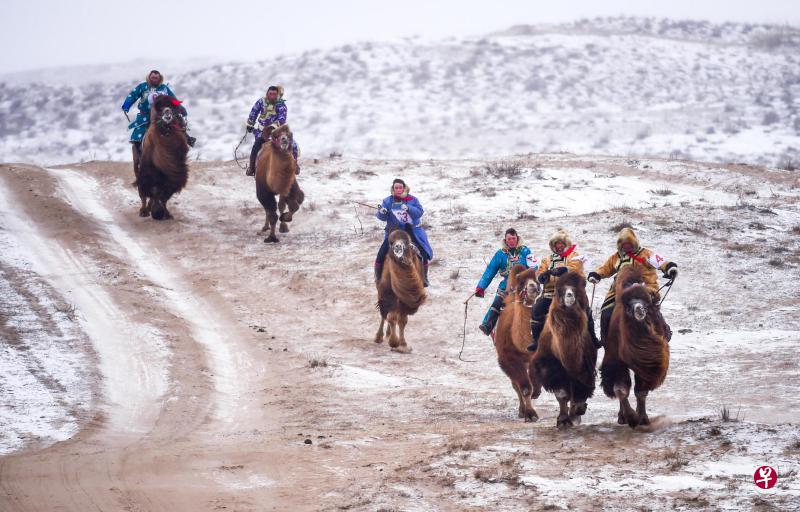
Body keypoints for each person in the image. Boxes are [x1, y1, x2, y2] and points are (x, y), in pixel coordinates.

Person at [587, 227, 677, 344]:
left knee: (651, 309)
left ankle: (664, 331)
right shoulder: (616, 257)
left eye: (629, 244)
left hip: (644, 287)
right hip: (619, 291)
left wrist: (669, 267)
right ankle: (604, 339)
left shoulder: (645, 253)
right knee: (606, 311)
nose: (627, 246)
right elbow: (606, 268)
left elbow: (661, 262)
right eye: (624, 244)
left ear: (634, 243)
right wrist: (597, 274)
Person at [527, 229, 601, 352]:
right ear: (553, 246)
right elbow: (540, 270)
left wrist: (565, 269)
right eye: (557, 244)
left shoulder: (575, 256)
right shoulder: (547, 259)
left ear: (566, 244)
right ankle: (536, 340)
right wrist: (541, 276)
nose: (559, 246)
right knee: (537, 309)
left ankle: (593, 338)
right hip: (551, 294)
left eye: (561, 244)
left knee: (586, 310)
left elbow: (577, 268)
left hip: (571, 293)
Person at [475, 228, 537, 336]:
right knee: (497, 302)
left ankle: (537, 329)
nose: (512, 241)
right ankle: (488, 325)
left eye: (514, 238)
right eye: (509, 239)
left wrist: (534, 277)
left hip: (523, 284)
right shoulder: (500, 254)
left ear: (517, 238)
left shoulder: (526, 251)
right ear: (505, 240)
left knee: (534, 304)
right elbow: (490, 271)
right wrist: (481, 287)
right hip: (506, 286)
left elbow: (534, 267)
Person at [375, 178, 433, 286]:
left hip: (411, 230)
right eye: (396, 188)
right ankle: (378, 277)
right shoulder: (387, 201)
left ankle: (424, 278)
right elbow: (382, 217)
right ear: (393, 188)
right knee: (381, 253)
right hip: (393, 231)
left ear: (404, 187)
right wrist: (381, 212)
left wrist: (408, 208)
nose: (398, 189)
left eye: (400, 187)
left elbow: (419, 213)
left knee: (422, 253)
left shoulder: (413, 200)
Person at [122, 70, 195, 154]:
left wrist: (182, 109)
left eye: (157, 78)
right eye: (153, 78)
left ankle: (186, 139)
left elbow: (173, 99)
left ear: (160, 78)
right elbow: (132, 96)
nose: (155, 80)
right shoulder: (142, 87)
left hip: (161, 115)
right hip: (145, 116)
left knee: (176, 125)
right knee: (139, 134)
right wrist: (126, 106)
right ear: (149, 77)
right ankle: (139, 152)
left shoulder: (164, 88)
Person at [245, 85, 299, 176]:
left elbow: (282, 118)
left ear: (277, 95)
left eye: (274, 94)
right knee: (255, 149)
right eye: (270, 94)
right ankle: (251, 168)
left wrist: (273, 126)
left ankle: (294, 166)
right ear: (267, 93)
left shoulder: (281, 105)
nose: (272, 96)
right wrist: (250, 124)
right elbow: (254, 112)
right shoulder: (261, 102)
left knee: (293, 145)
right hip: (262, 133)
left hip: (277, 133)